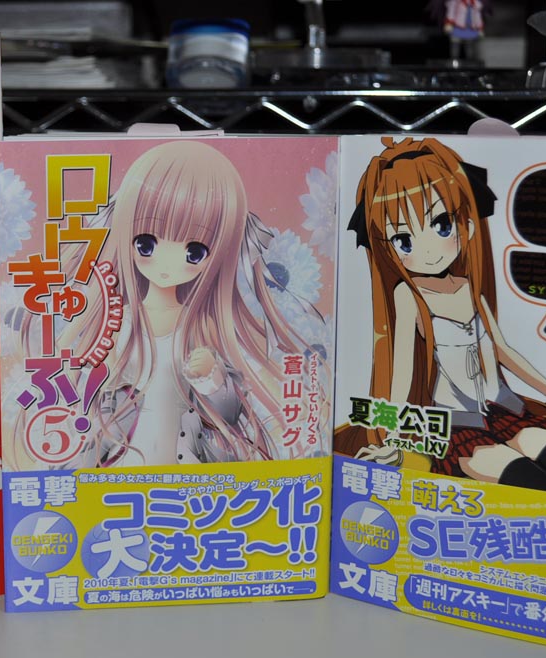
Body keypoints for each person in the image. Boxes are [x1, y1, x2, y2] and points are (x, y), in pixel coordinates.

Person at [18, 140, 323, 468]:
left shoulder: (199, 324)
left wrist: (212, 378)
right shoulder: (117, 318)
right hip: (124, 459)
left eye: (194, 252)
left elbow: (230, 413)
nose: (166, 264)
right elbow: (96, 396)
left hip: (184, 465)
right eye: (146, 244)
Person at [344, 136, 546, 500]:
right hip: (457, 427)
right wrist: (390, 440)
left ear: (467, 225)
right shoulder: (407, 295)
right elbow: (401, 375)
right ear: (388, 249)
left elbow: (502, 350)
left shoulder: (469, 286)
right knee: (539, 490)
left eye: (441, 225)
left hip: (505, 409)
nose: (428, 251)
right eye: (404, 241)